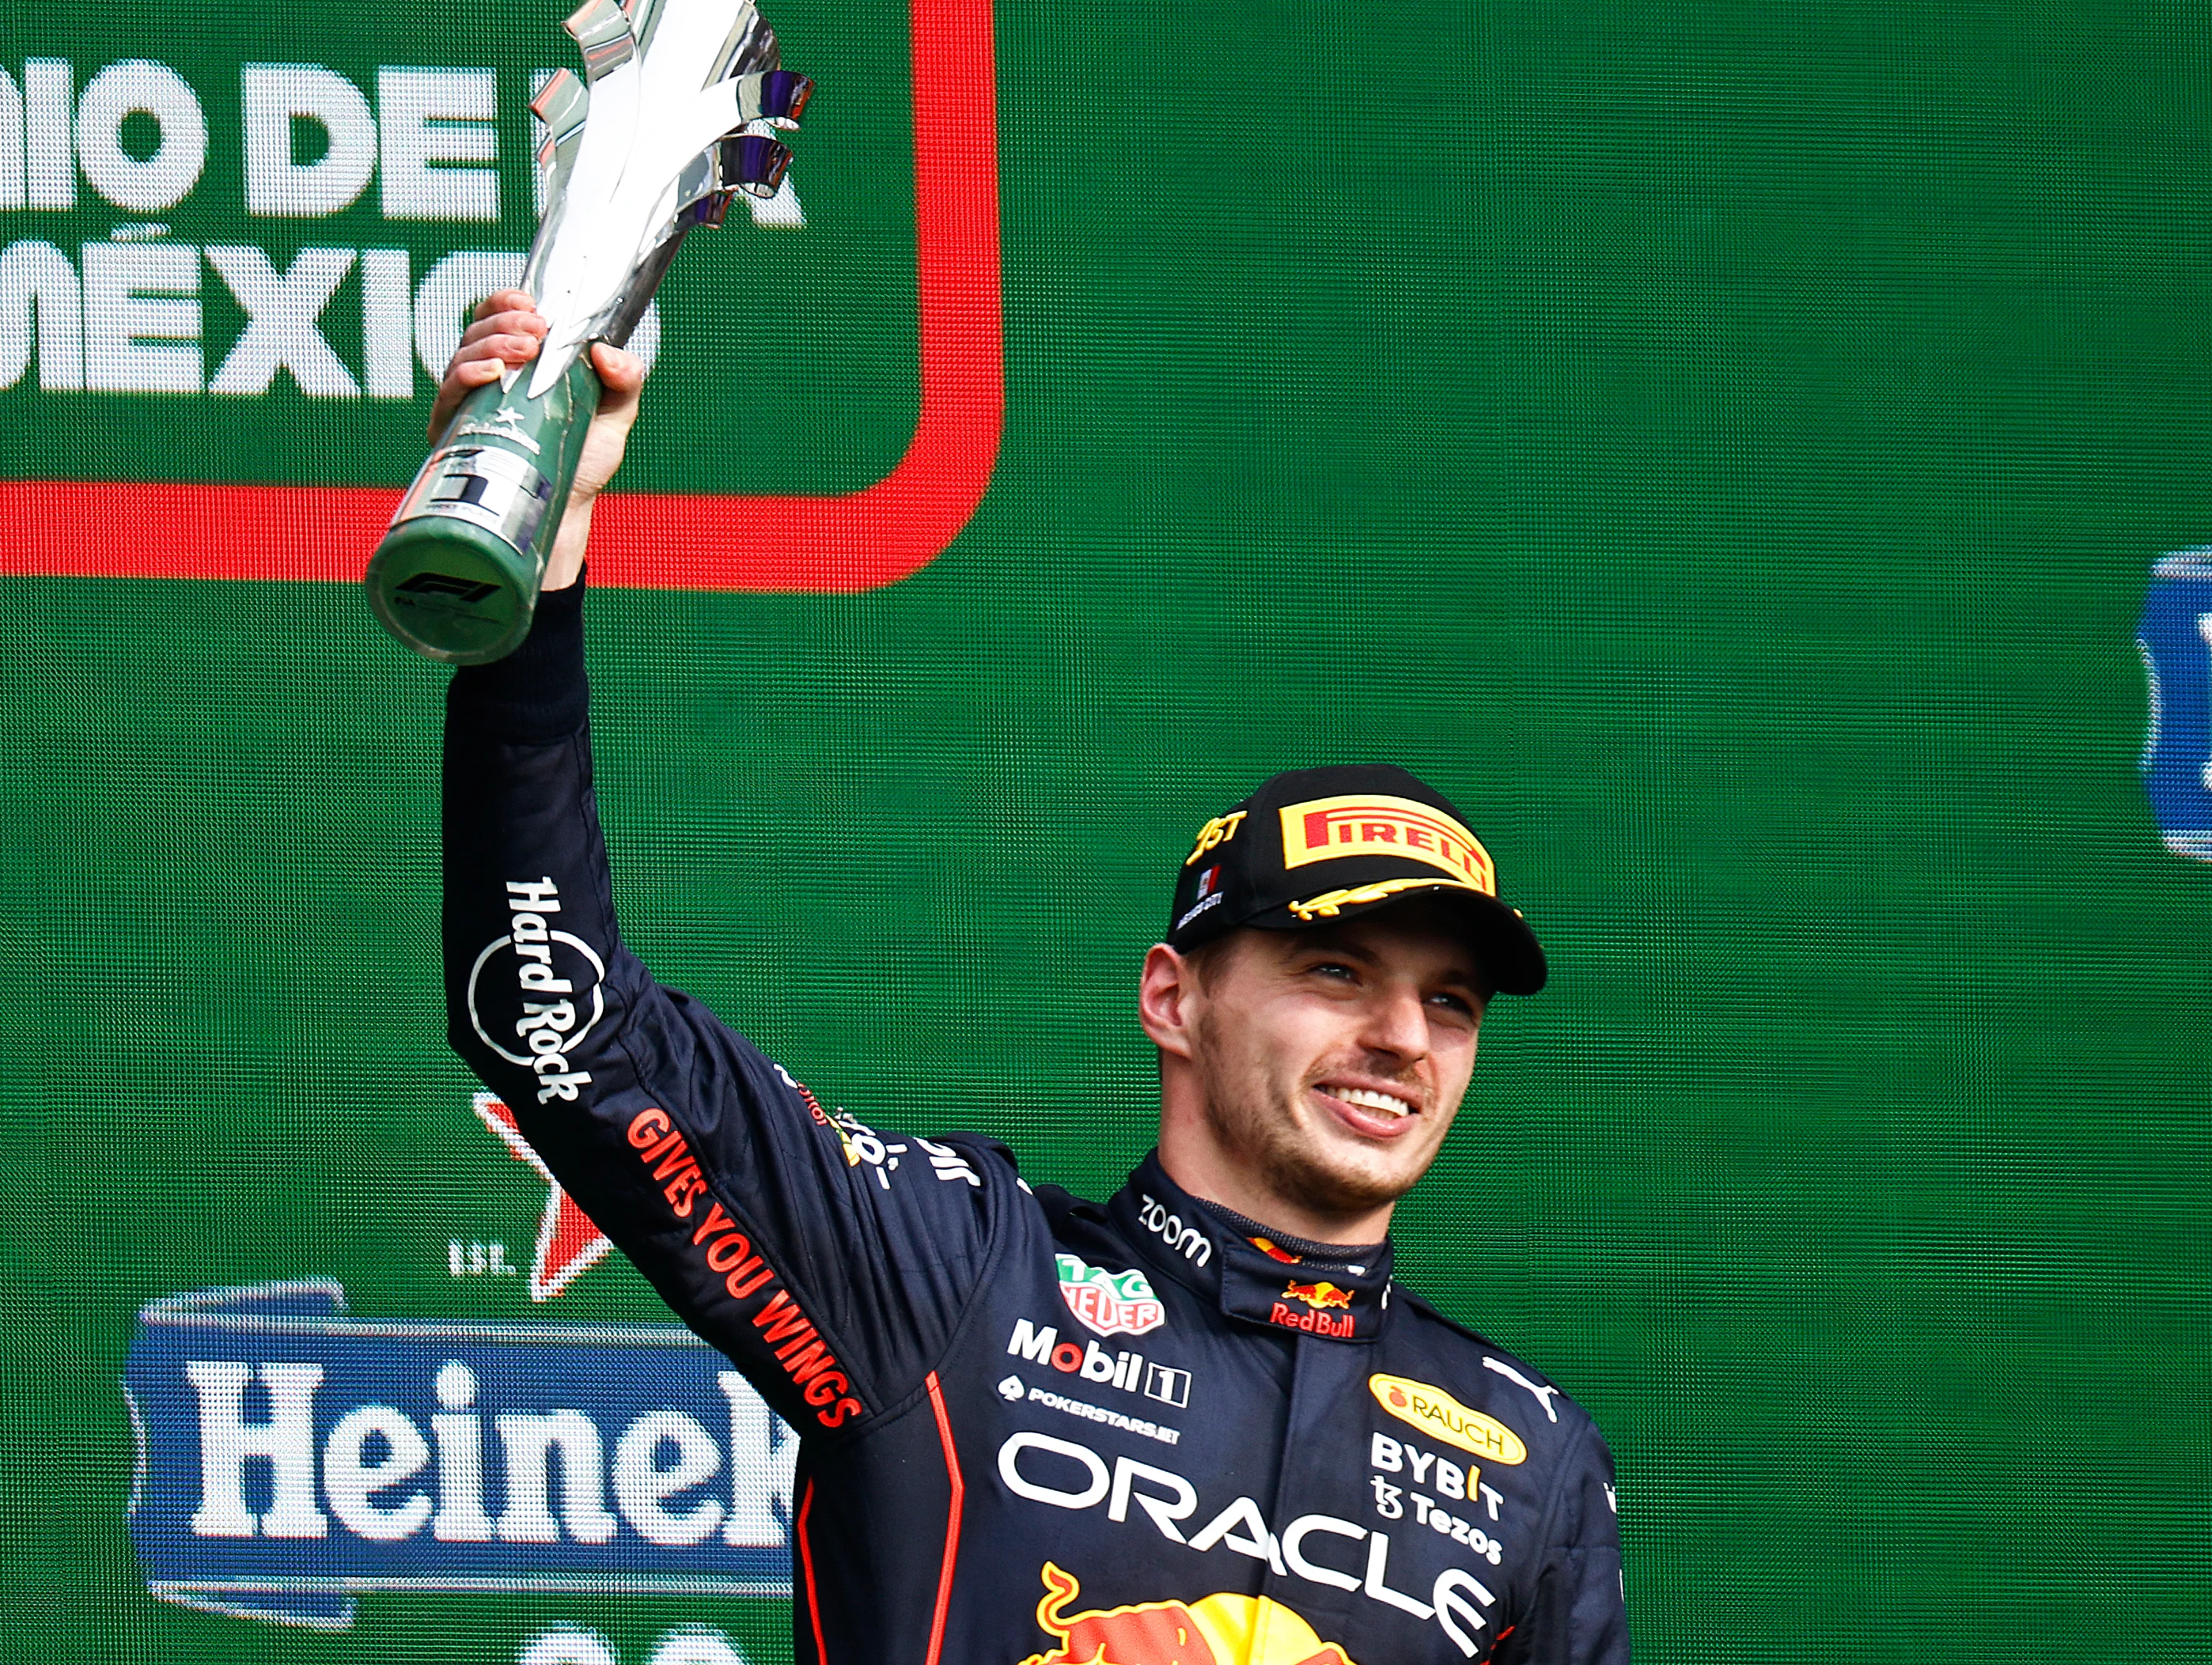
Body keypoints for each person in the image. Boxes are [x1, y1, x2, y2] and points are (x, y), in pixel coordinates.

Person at [435, 293, 1630, 1664]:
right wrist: (542, 549)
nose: (1402, 1036)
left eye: (1452, 1002)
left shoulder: (1533, 1457)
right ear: (1171, 997)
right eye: (1336, 968)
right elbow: (555, 1021)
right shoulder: (962, 1277)